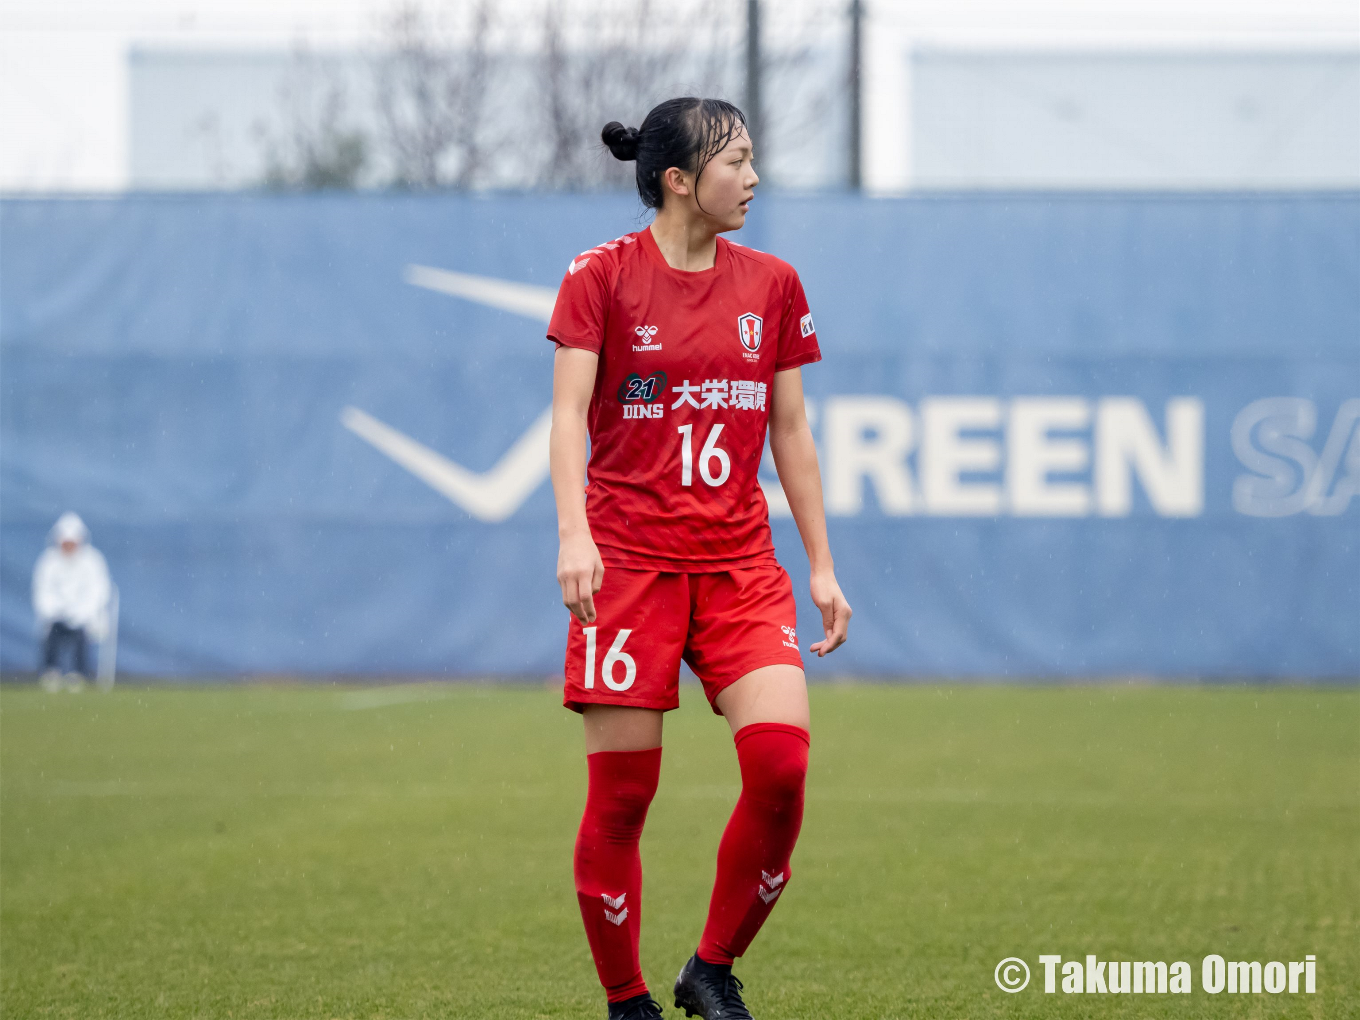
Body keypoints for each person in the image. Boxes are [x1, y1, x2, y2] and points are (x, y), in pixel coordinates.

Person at [547, 98, 852, 1020]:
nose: (753, 178)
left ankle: (710, 968)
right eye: (737, 162)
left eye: (754, 159)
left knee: (781, 769)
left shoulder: (774, 283)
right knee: (623, 804)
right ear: (679, 181)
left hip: (738, 569)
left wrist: (823, 567)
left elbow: (791, 432)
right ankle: (627, 998)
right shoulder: (600, 277)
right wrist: (574, 534)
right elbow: (566, 418)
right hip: (629, 569)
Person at [32, 512, 111, 692]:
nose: (68, 546)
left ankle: (78, 672)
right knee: (52, 632)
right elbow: (42, 591)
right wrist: (55, 610)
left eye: (72, 542)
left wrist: (81, 612)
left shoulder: (93, 561)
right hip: (56, 615)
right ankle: (51, 671)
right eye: (65, 542)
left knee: (81, 633)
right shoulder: (48, 561)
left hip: (84, 616)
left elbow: (99, 591)